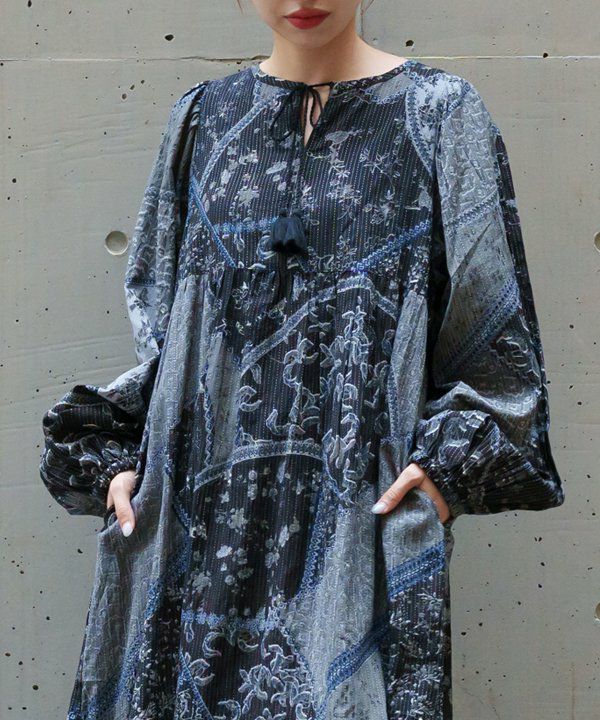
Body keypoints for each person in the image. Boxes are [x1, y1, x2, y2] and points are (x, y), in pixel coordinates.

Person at [39, 1, 565, 717]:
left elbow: (495, 334)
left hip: (356, 540)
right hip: (193, 538)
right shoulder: (201, 118)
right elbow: (167, 327)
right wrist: (120, 465)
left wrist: (443, 478)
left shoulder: (440, 114)